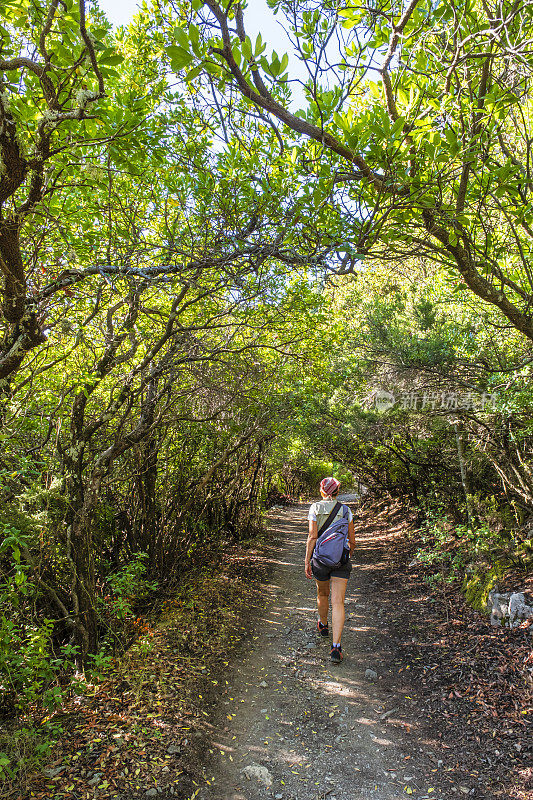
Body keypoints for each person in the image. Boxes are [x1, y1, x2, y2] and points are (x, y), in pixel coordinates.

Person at [305, 477, 356, 663]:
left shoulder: (315, 509)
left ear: (322, 491)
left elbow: (312, 537)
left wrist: (307, 561)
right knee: (339, 602)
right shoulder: (346, 510)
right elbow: (352, 541)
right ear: (337, 492)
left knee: (322, 594)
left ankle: (323, 625)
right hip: (341, 561)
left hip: (320, 560)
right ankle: (336, 648)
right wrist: (344, 553)